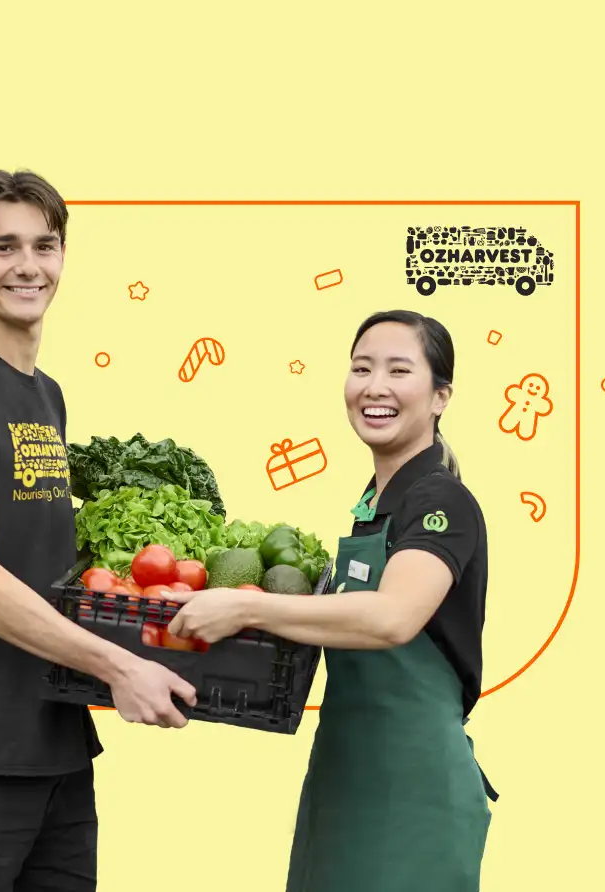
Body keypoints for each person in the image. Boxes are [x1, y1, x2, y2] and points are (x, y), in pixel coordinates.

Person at [0, 169, 198, 892]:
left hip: (54, 753)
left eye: (45, 246)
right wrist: (118, 666)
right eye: (3, 248)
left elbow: (41, 565)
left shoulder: (44, 394)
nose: (29, 266)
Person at [166, 310, 499, 892]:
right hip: (345, 773)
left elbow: (393, 617)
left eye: (400, 370)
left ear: (441, 396)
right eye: (361, 367)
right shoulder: (375, 502)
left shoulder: (442, 501)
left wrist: (245, 608)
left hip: (412, 790)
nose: (375, 386)